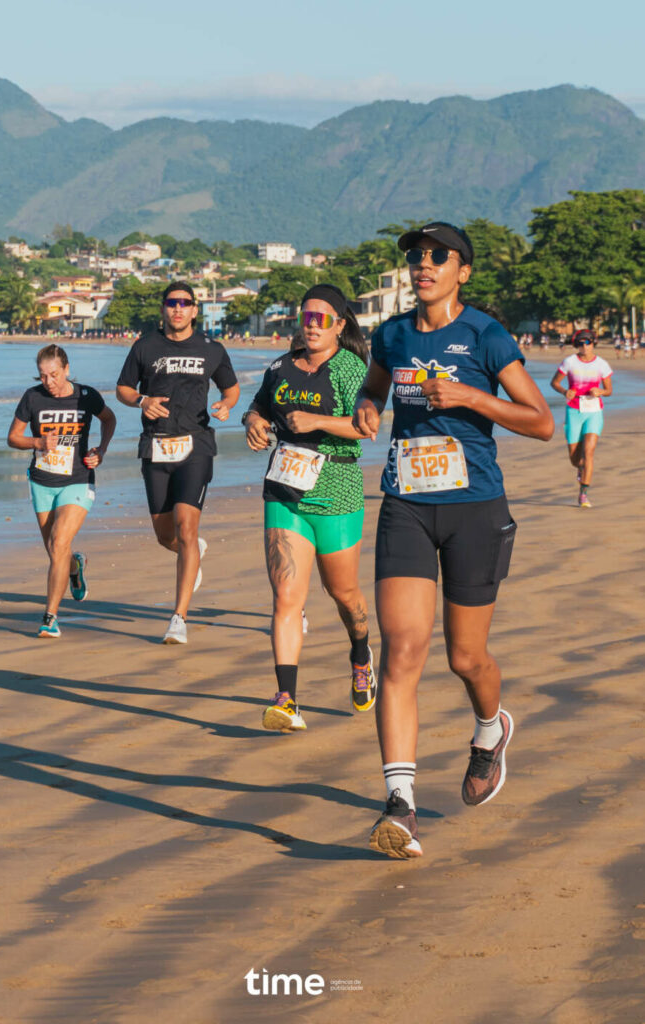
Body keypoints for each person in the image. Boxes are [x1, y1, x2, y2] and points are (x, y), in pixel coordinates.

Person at [352, 221, 554, 859]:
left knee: (465, 659)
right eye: (416, 256)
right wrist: (366, 410)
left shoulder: (485, 335)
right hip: (406, 505)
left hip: (474, 510)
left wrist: (472, 395)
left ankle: (491, 729)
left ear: (462, 271)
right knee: (401, 651)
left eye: (439, 256)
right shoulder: (393, 334)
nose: (424, 264)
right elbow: (372, 394)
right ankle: (401, 806)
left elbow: (542, 422)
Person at [243, 284, 376, 731]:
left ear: (340, 325)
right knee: (286, 596)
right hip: (284, 490)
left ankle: (360, 652)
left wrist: (317, 421)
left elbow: (366, 426)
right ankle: (287, 699)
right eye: (307, 317)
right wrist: (255, 423)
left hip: (336, 489)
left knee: (343, 594)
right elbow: (258, 407)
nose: (312, 325)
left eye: (323, 318)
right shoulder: (281, 366)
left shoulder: (349, 369)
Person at [116, 282, 240, 643]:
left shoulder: (211, 349)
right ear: (163, 309)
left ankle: (178, 618)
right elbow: (122, 388)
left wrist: (227, 405)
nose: (178, 309)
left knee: (187, 527)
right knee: (165, 534)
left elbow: (230, 387)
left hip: (195, 445)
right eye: (172, 303)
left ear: (195, 310)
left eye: (185, 303)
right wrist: (141, 401)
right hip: (155, 446)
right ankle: (193, 552)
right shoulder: (145, 346)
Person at [7, 344, 116, 637]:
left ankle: (50, 618)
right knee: (55, 550)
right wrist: (37, 443)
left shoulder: (86, 396)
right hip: (41, 482)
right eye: (42, 376)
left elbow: (109, 418)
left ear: (66, 369)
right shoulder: (33, 397)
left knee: (58, 543)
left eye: (54, 375)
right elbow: (13, 438)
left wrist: (101, 451)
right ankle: (74, 567)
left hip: (78, 480)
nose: (49, 382)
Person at [550, 328, 613, 508]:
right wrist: (564, 391)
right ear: (576, 345)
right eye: (581, 343)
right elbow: (554, 382)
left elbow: (609, 390)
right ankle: (580, 468)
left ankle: (583, 494)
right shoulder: (569, 362)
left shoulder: (602, 364)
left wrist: (600, 391)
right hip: (574, 411)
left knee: (589, 452)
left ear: (594, 343)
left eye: (588, 342)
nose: (585, 346)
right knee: (575, 459)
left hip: (594, 411)